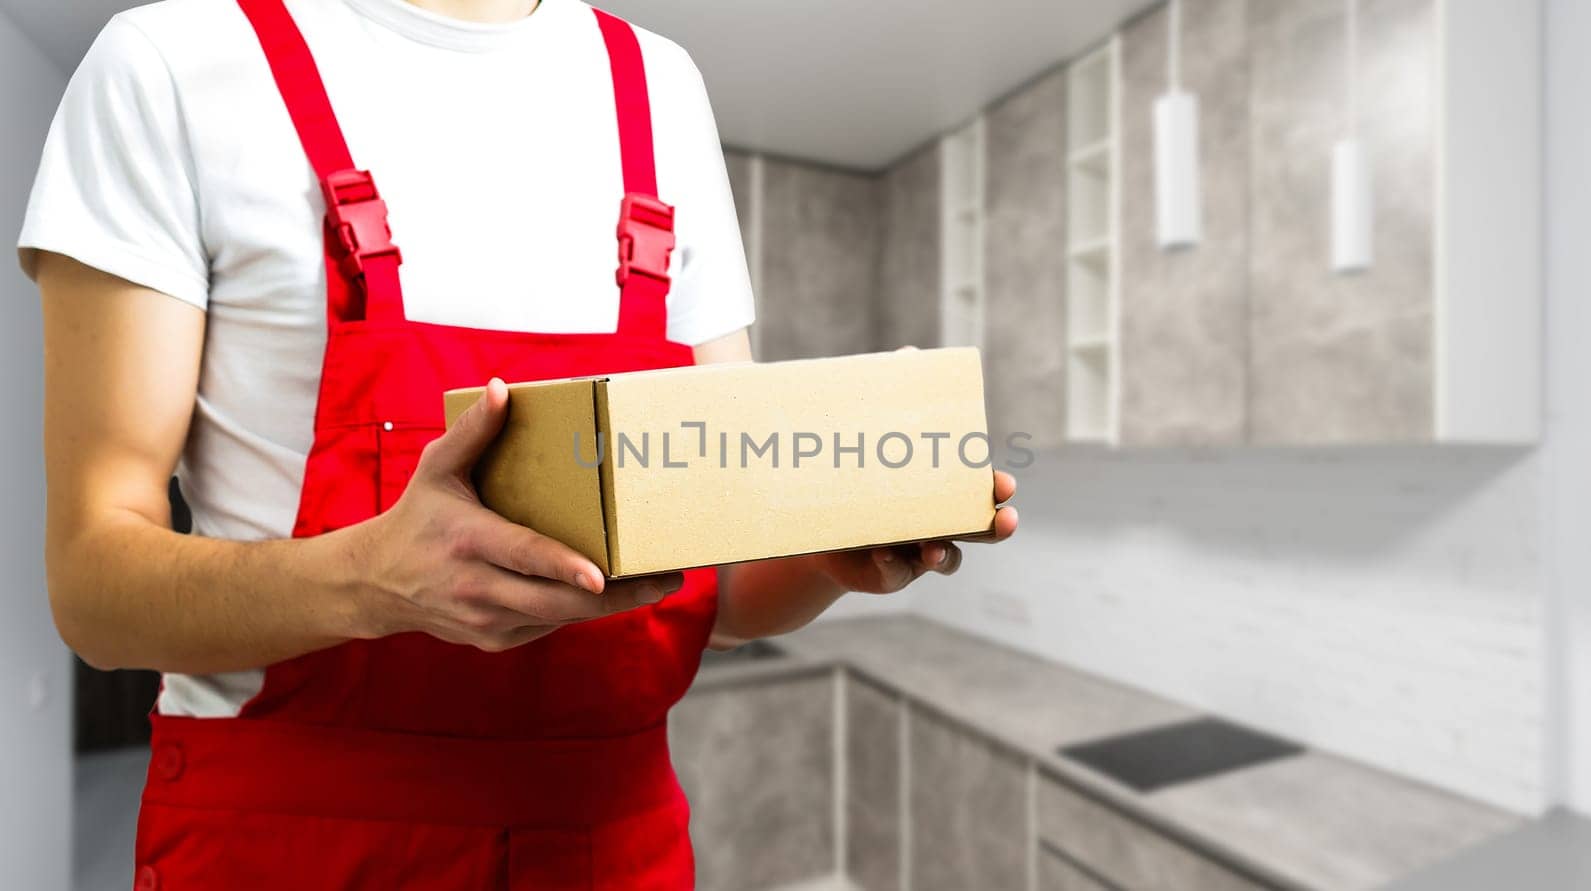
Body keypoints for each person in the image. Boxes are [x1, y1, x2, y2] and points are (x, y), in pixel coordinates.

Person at [19, 0, 1019, 887]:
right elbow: (93, 590)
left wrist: (824, 555)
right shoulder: (175, 61)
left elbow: (713, 596)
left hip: (614, 845)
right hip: (297, 844)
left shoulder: (660, 87)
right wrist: (376, 580)